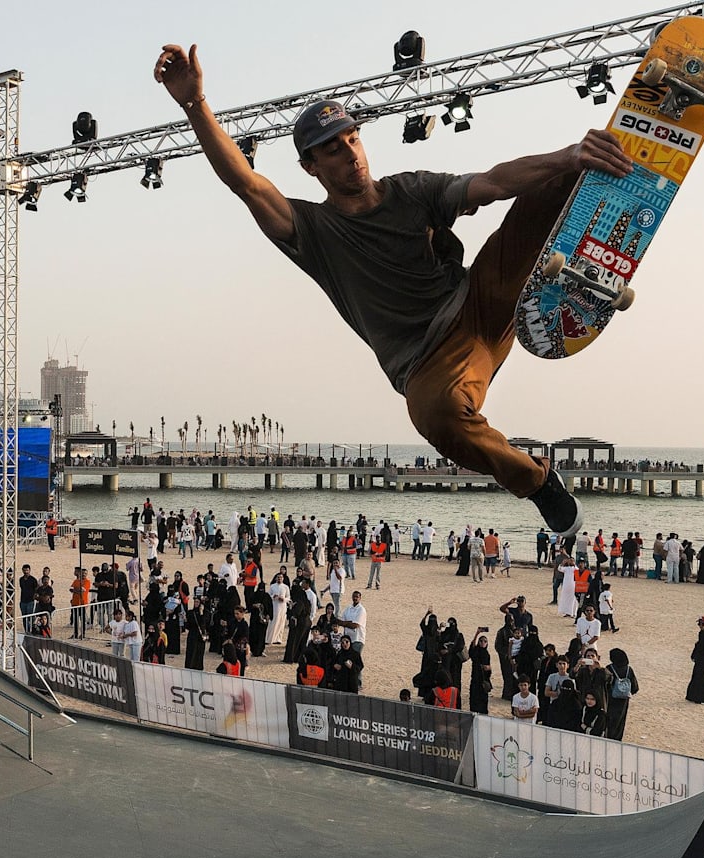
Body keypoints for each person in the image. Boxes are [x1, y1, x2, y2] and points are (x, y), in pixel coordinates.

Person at [152, 47, 631, 539]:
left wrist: (569, 155)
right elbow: (247, 184)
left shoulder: (412, 190)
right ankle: (539, 483)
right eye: (333, 150)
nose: (351, 154)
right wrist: (195, 105)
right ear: (310, 166)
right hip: (427, 365)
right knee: (438, 417)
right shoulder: (312, 230)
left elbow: (490, 183)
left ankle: (635, 150)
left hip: (481, 303)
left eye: (353, 139)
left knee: (544, 186)